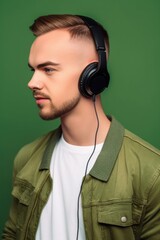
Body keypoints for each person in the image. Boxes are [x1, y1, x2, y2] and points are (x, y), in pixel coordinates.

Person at [2, 14, 160, 240]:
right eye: (33, 70)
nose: (32, 83)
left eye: (48, 69)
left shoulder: (152, 174)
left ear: (92, 76)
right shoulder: (26, 158)